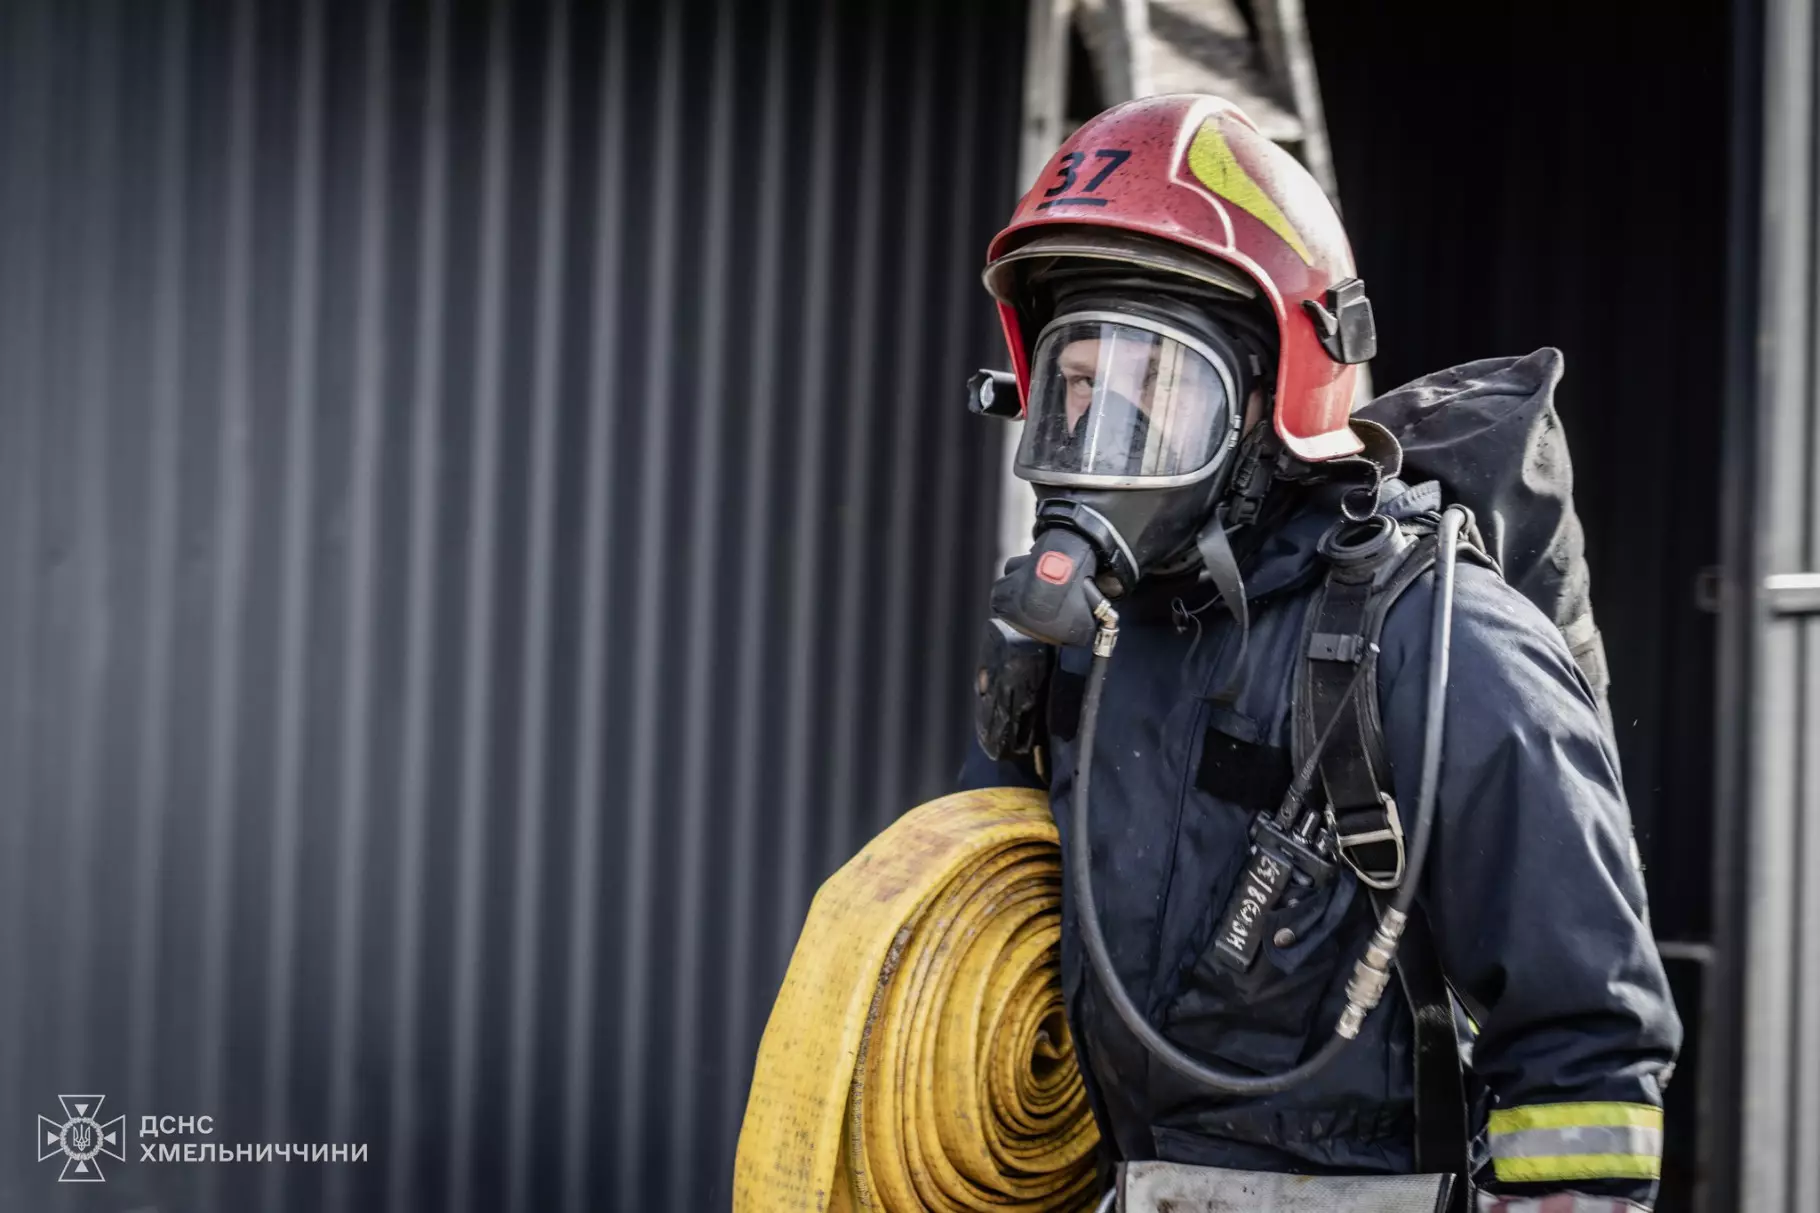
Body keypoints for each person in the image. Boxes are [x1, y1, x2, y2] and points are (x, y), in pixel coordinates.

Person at [962, 94, 1681, 1213]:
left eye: (1156, 386)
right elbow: (989, 935)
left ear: (1270, 398)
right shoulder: (1091, 642)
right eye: (1079, 387)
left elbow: (1586, 1044)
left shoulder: (1439, 642)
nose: (1105, 438)